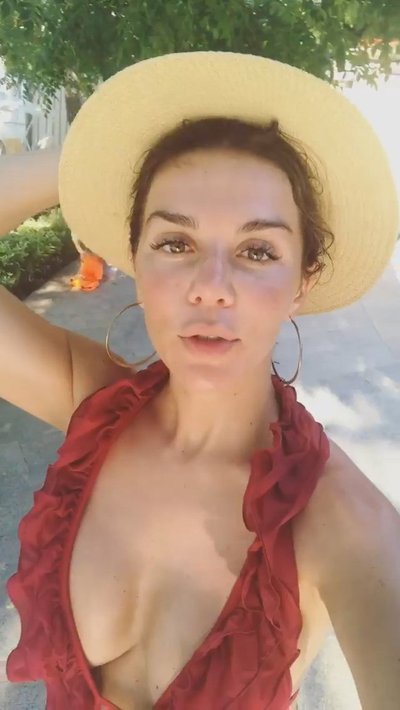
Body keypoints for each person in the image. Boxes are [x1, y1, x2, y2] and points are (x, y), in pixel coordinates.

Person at [1, 52, 399, 710]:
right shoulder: (96, 407)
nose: (210, 288)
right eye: (175, 243)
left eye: (257, 251)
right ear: (135, 259)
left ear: (303, 282)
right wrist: (94, 148)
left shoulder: (346, 526)